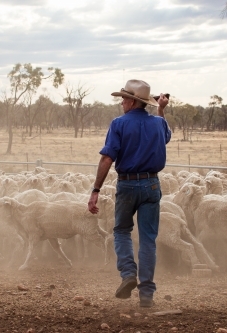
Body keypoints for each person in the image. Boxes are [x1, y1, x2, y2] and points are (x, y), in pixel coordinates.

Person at [88, 79, 171, 308]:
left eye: (124, 98)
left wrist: (96, 190)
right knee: (148, 240)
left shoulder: (119, 124)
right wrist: (161, 110)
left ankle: (127, 274)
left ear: (133, 101)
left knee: (122, 231)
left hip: (127, 185)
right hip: (152, 185)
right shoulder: (157, 123)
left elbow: (107, 158)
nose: (121, 102)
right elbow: (165, 137)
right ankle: (147, 295)